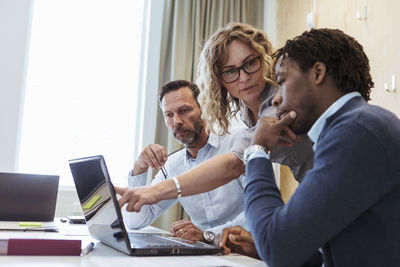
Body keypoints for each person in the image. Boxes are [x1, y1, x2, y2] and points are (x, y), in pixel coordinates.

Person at [116, 22, 314, 257]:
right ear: (219, 79)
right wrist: (142, 176)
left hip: (333, 183)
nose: (244, 78)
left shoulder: (274, 103)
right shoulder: (244, 113)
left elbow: (236, 163)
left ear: (264, 59)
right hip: (314, 188)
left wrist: (158, 191)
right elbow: (134, 219)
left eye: (250, 63)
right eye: (231, 71)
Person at [242, 28, 400, 266]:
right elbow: (339, 253)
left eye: (282, 81)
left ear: (318, 72)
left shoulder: (357, 130)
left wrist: (258, 150)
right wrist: (261, 246)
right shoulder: (356, 125)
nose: (275, 99)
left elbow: (278, 249)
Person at [115, 80, 248, 243]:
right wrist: (139, 168)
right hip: (203, 255)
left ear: (203, 109)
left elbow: (257, 214)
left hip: (247, 252)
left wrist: (207, 235)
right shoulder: (173, 164)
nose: (176, 121)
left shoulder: (237, 145)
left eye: (184, 110)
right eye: (169, 115)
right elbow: (135, 222)